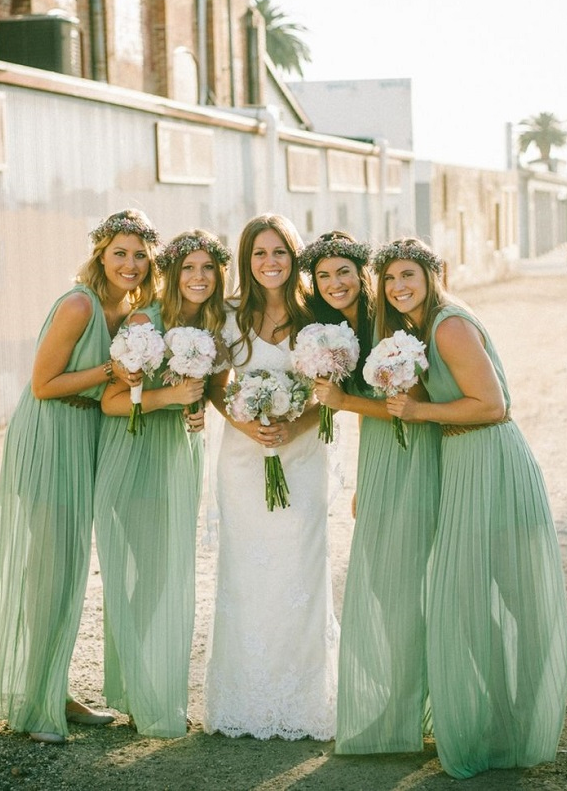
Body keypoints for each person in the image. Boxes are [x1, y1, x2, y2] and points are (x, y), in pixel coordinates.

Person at [380, 237, 567, 779]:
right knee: (467, 595)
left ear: (432, 274)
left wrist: (417, 410)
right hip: (462, 460)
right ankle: (491, 715)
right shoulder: (417, 330)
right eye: (390, 279)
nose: (398, 287)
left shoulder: (448, 326)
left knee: (513, 594)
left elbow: (492, 404)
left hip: (491, 459)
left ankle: (520, 724)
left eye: (408, 276)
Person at [0, 209, 160, 744]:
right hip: (49, 436)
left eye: (140, 255)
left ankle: (54, 690)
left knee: (70, 569)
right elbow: (42, 384)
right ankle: (35, 708)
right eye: (119, 252)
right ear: (101, 252)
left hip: (88, 439)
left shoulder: (133, 311)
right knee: (49, 572)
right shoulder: (79, 304)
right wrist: (112, 370)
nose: (130, 264)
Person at [301, 231, 441, 754]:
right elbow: (365, 409)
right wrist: (365, 478)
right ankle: (402, 702)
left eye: (344, 272)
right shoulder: (338, 329)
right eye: (323, 275)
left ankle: (416, 705)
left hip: (415, 449)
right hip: (383, 456)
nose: (334, 283)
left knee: (407, 579)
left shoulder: (390, 320)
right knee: (385, 586)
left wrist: (341, 400)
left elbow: (412, 403)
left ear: (362, 274)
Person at [203, 213, 339, 740]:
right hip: (242, 458)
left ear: (294, 256)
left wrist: (292, 426)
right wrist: (245, 422)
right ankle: (247, 697)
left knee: (300, 569)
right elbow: (215, 386)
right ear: (246, 260)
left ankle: (304, 701)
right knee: (247, 572)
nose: (269, 262)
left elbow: (327, 397)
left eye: (279, 251)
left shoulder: (316, 317)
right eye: (259, 253)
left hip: (301, 454)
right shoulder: (230, 315)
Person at [93, 229, 231, 738]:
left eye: (208, 268)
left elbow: (195, 393)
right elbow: (110, 401)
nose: (198, 278)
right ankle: (146, 697)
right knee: (143, 578)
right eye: (188, 268)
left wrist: (195, 412)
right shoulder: (143, 323)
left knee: (164, 576)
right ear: (172, 273)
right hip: (134, 458)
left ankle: (141, 690)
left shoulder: (210, 326)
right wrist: (168, 401)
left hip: (178, 456)